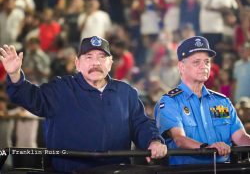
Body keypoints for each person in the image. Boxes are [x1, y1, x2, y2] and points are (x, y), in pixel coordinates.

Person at [0, 36, 167, 173]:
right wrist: (15, 75)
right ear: (77, 63)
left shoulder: (126, 92)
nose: (96, 63)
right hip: (69, 171)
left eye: (102, 57)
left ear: (110, 63)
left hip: (116, 170)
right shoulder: (61, 88)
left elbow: (141, 123)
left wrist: (153, 140)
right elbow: (31, 97)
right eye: (89, 57)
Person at [155, 36, 250, 165]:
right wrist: (207, 148)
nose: (203, 66)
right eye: (196, 62)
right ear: (181, 67)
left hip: (225, 169)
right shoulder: (170, 102)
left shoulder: (222, 101)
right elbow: (179, 139)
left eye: (207, 62)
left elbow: (240, 137)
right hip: (187, 171)